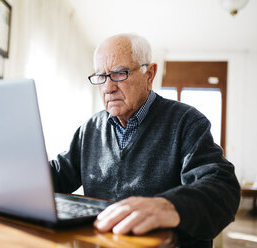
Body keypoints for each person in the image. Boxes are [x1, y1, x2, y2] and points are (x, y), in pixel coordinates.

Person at [49, 33, 240, 247]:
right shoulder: (90, 128)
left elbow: (223, 189)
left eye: (119, 73)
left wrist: (169, 206)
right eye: (101, 76)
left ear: (149, 74)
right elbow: (58, 174)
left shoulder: (187, 122)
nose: (108, 87)